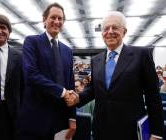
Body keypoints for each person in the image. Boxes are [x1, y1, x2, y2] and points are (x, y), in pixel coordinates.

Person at [68, 11, 164, 140]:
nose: (110, 31)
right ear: (102, 34)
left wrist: (156, 133)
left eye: (115, 27)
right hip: (101, 129)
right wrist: (78, 98)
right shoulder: (96, 60)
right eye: (106, 28)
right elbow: (93, 90)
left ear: (124, 31)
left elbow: (153, 97)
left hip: (130, 131)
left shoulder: (141, 55)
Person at [17, 2, 76, 140]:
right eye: (53, 17)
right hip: (35, 120)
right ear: (44, 20)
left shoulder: (68, 51)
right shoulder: (32, 42)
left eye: (60, 19)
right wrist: (62, 92)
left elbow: (71, 85)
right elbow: (31, 75)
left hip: (60, 120)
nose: (57, 21)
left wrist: (72, 117)